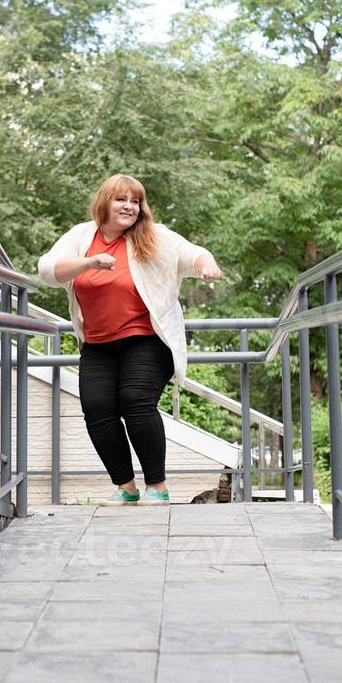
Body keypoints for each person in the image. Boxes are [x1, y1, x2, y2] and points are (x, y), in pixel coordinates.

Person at [37, 173, 222, 505]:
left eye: (135, 201)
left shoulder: (153, 236)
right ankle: (126, 488)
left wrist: (206, 263)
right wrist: (89, 262)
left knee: (135, 399)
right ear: (105, 202)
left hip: (147, 339)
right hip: (97, 343)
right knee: (96, 407)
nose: (129, 206)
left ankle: (158, 488)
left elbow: (190, 253)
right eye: (121, 199)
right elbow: (48, 270)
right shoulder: (82, 237)